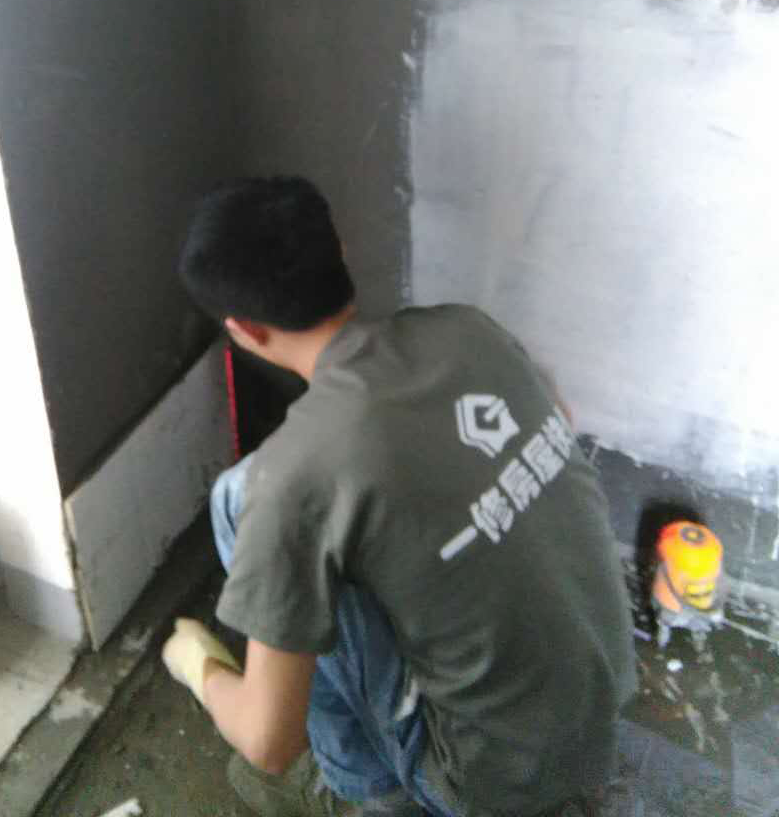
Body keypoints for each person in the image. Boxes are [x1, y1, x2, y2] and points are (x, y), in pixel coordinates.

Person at [162, 176, 637, 817]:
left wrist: (198, 667)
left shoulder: (293, 476)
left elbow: (268, 743)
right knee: (348, 523)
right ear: (341, 251)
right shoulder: (469, 329)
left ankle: (371, 793)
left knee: (237, 498)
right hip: (599, 704)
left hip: (490, 784)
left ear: (244, 329)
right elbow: (559, 422)